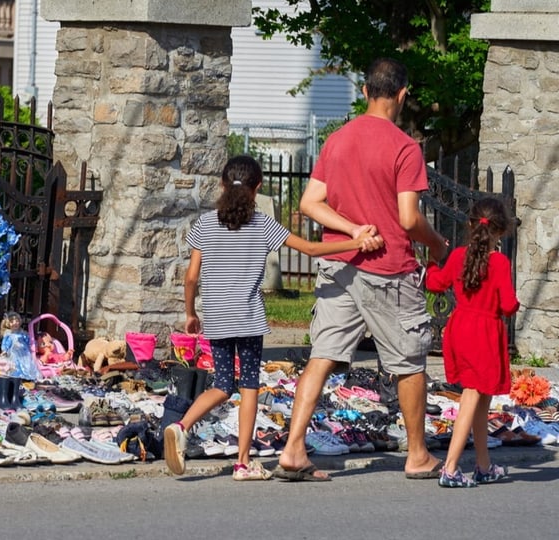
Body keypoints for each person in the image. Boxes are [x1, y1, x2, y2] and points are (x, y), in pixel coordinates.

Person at [275, 57, 449, 482]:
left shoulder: (337, 140)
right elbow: (409, 219)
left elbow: (310, 203)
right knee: (408, 361)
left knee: (322, 357)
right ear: (402, 95)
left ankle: (293, 449)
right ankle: (418, 454)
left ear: (366, 91)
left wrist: (352, 229)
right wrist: (439, 244)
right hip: (388, 269)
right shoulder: (405, 147)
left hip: (338, 265)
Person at [163, 154, 382, 481]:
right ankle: (242, 462)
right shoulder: (262, 224)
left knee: (222, 385)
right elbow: (309, 249)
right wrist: (356, 242)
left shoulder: (205, 225)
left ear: (221, 185)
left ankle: (180, 425)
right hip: (248, 319)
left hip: (218, 318)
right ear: (258, 188)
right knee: (249, 386)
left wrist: (191, 313)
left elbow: (191, 277)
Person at [425, 197, 519, 487]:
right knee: (472, 395)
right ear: (501, 232)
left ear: (470, 224)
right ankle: (451, 467)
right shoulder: (500, 262)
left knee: (480, 399)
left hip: (459, 327)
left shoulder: (458, 257)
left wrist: (429, 262)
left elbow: (435, 283)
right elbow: (507, 305)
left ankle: (483, 465)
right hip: (485, 333)